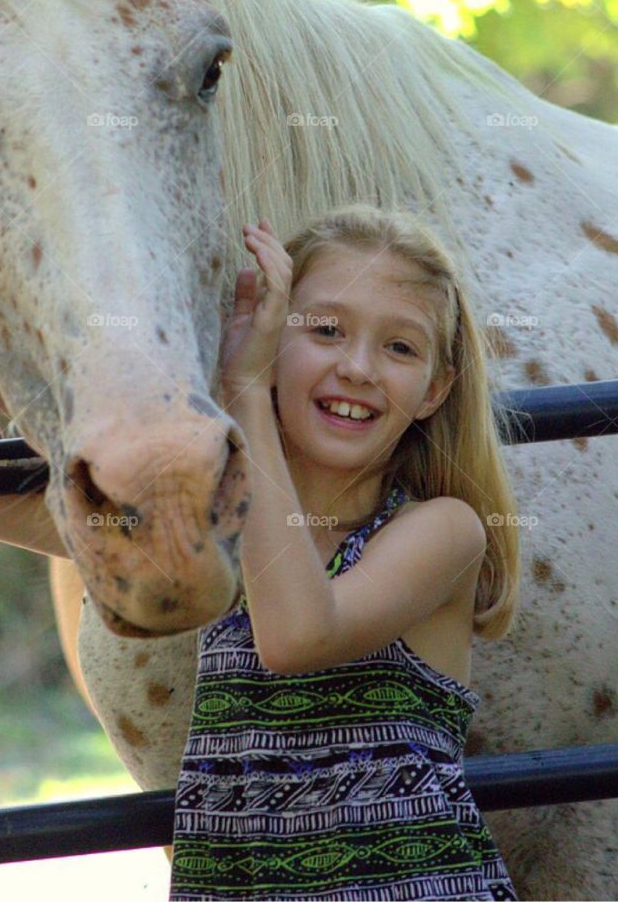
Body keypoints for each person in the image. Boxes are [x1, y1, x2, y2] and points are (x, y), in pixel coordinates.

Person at [168, 204, 520, 901]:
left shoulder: (443, 531)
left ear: (435, 390)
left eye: (400, 348)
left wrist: (246, 391)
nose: (358, 368)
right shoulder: (217, 518)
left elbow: (299, 634)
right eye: (325, 331)